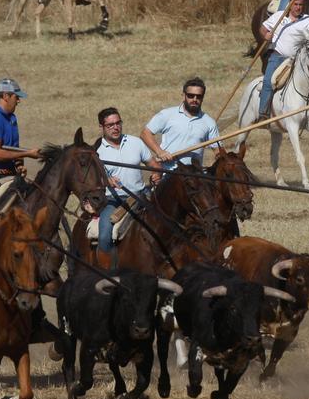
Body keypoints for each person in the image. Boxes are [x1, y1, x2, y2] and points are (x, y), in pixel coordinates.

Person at [94, 107, 160, 263]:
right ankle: (107, 272)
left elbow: (154, 165)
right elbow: (91, 181)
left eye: (118, 123)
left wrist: (156, 174)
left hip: (141, 195)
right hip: (113, 201)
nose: (115, 128)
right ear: (101, 127)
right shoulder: (96, 152)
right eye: (110, 125)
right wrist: (106, 181)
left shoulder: (136, 142)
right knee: (104, 235)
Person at [257, 0, 309, 119]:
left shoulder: (308, 21)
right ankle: (263, 113)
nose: (298, 7)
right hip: (277, 57)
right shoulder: (278, 17)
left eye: (301, 5)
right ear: (290, 5)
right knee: (268, 82)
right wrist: (266, 35)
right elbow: (263, 29)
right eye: (295, 4)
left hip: (297, 60)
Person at [142, 77, 221, 169]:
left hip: (194, 176)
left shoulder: (209, 122)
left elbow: (218, 149)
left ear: (203, 98)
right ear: (184, 95)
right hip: (168, 172)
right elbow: (145, 133)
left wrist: (220, 157)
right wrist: (160, 152)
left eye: (198, 96)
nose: (194, 99)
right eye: (191, 95)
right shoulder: (167, 114)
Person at [0, 78, 41, 190]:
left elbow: (13, 149)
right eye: (16, 97)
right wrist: (27, 153)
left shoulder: (11, 118)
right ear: (6, 96)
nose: (18, 101)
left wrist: (19, 165)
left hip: (9, 175)